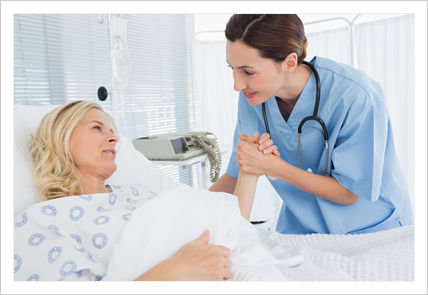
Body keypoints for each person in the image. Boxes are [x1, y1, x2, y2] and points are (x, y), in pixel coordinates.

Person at [209, 14, 413, 234]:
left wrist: (271, 166)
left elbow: (348, 193)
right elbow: (237, 174)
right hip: (301, 230)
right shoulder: (253, 97)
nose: (237, 85)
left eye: (248, 72)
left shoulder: (355, 95)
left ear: (289, 63)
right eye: (233, 69)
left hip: (371, 229)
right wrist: (183, 208)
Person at [28, 100, 233, 281]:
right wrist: (172, 273)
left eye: (113, 132)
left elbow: (228, 226)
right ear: (61, 138)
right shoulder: (42, 222)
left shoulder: (135, 194)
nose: (114, 139)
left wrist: (247, 172)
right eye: (97, 128)